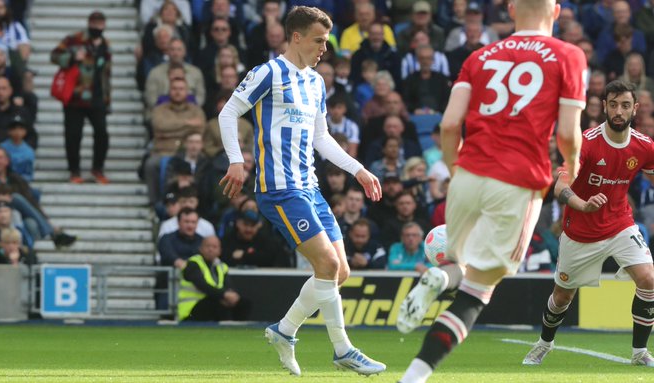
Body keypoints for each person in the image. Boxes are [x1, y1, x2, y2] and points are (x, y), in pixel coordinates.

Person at [398, 0, 587, 381]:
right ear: (557, 9)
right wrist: (573, 165)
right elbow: (568, 133)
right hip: (517, 181)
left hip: (468, 173)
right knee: (479, 291)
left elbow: (450, 125)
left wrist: (457, 170)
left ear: (512, 8)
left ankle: (439, 277)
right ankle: (413, 377)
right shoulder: (568, 55)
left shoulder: (479, 56)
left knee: (461, 264)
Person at [217, 5, 386, 376]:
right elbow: (228, 113)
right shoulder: (268, 73)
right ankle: (343, 349)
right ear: (296, 37)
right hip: (279, 189)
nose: (324, 48)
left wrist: (358, 169)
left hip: (310, 187)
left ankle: (285, 330)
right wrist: (236, 160)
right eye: (318, 40)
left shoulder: (315, 82)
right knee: (325, 264)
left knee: (340, 272)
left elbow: (321, 138)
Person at [523, 80, 654, 367]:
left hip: (620, 224)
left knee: (649, 279)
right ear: (604, 106)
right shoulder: (586, 142)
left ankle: (639, 353)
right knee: (562, 296)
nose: (619, 111)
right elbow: (560, 186)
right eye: (613, 104)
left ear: (636, 109)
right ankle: (544, 343)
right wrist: (583, 204)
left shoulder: (644, 147)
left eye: (625, 105)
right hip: (580, 230)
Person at [50, 11, 111, 184]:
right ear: (89, 23)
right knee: (73, 135)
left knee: (102, 133)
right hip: (76, 96)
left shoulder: (106, 44)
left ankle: (97, 168)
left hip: (98, 97)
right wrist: (70, 57)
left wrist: (107, 99)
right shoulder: (74, 39)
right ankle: (74, 170)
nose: (97, 27)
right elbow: (53, 55)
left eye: (101, 24)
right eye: (95, 23)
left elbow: (106, 74)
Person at [178, 235, 251, 321]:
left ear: (220, 251)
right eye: (208, 246)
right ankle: (227, 326)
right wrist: (224, 295)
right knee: (217, 302)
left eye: (214, 247)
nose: (211, 249)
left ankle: (239, 330)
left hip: (214, 300)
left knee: (244, 303)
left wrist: (232, 295)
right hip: (191, 308)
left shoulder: (222, 266)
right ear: (200, 249)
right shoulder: (193, 263)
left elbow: (229, 286)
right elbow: (202, 285)